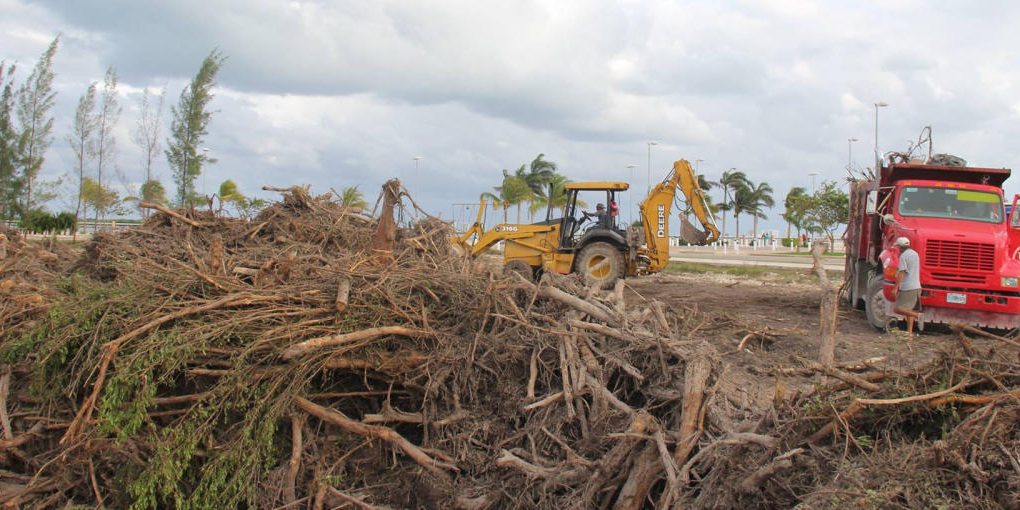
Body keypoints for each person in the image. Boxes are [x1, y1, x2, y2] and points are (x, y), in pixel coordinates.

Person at [891, 236, 923, 335]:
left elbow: (901, 272)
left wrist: (895, 288)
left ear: (900, 247)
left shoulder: (904, 256)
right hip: (917, 286)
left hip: (908, 287)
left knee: (897, 308)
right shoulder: (915, 254)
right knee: (909, 310)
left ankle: (919, 316)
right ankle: (909, 334)